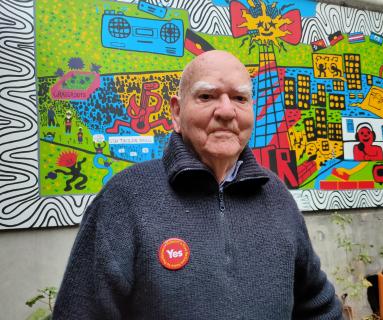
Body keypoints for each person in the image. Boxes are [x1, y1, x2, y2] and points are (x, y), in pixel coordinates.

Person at [53, 50, 342, 319]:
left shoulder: (276, 196)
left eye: (240, 99)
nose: (227, 111)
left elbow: (319, 307)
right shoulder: (126, 199)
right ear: (176, 113)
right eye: (207, 96)